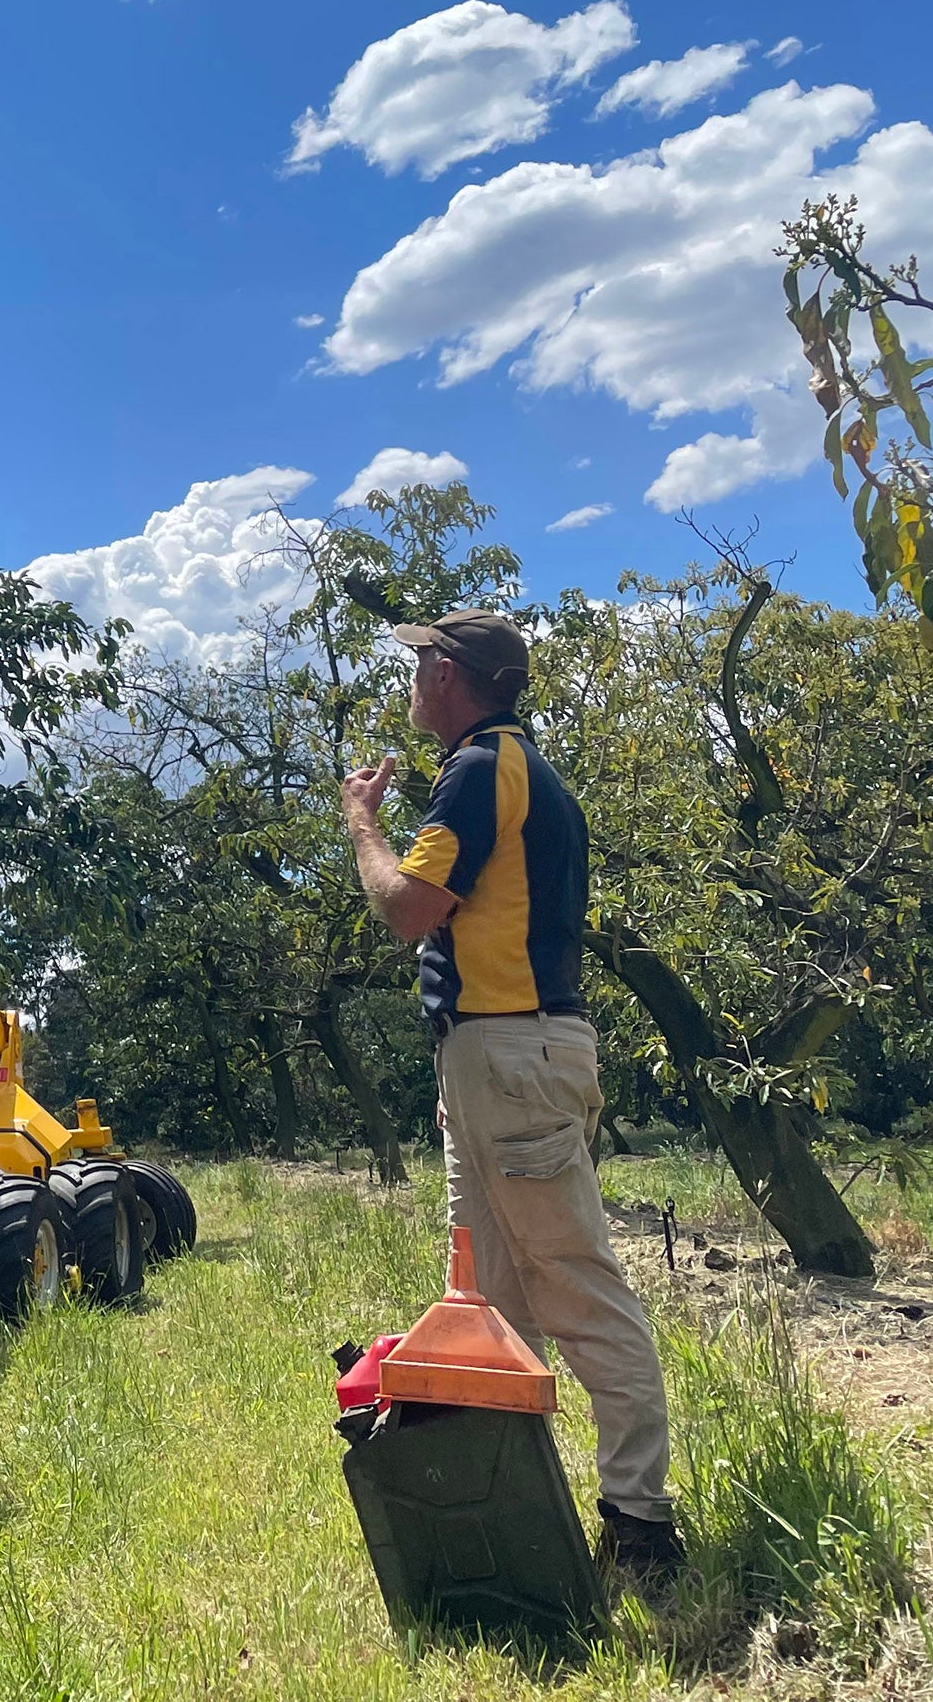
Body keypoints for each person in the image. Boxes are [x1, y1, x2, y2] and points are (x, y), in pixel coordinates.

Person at [337, 607, 682, 1577]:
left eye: (419, 663)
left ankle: (642, 1529)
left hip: (512, 1057)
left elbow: (408, 907)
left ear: (452, 675)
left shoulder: (484, 769)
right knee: (487, 1301)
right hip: (498, 1059)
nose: (411, 680)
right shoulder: (513, 770)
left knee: (576, 1288)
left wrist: (361, 823)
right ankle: (504, 1527)